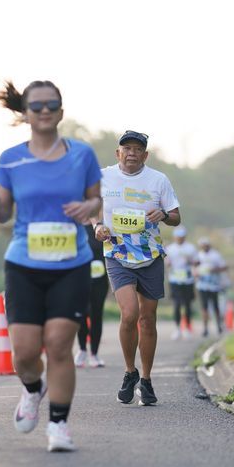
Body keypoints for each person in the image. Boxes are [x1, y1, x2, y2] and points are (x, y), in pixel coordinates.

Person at [0, 80, 101, 452]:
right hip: (24, 265)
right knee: (25, 353)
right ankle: (33, 389)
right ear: (25, 114)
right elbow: (3, 213)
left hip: (72, 263)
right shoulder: (11, 159)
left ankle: (59, 426)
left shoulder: (82, 155)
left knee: (60, 345)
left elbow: (96, 200)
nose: (45, 110)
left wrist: (88, 207)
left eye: (52, 104)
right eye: (37, 106)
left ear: (61, 112)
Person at [94, 130, 180, 405]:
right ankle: (129, 371)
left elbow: (176, 217)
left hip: (150, 254)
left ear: (145, 155)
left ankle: (146, 379)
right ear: (117, 153)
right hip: (117, 252)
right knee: (130, 313)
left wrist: (163, 214)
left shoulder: (158, 180)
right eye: (127, 148)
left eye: (137, 149)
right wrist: (97, 225)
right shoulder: (103, 176)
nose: (132, 153)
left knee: (148, 319)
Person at [74, 223, 108, 368]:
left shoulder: (103, 227)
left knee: (96, 315)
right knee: (81, 315)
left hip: (99, 280)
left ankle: (94, 353)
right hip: (80, 279)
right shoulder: (76, 227)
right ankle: (82, 349)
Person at [195, 237, 228, 337]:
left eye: (205, 245)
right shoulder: (198, 255)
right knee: (204, 307)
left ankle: (219, 326)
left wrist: (214, 270)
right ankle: (205, 329)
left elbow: (224, 267)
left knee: (215, 307)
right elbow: (194, 267)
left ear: (209, 245)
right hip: (202, 285)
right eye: (202, 245)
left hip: (214, 286)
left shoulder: (216, 255)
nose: (204, 247)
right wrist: (196, 272)